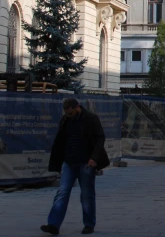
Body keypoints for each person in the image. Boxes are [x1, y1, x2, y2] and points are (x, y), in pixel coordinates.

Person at [40, 98, 109, 236]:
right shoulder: (65, 120)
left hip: (86, 163)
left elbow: (100, 138)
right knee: (62, 193)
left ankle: (89, 224)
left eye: (71, 112)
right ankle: (53, 224)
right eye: (67, 113)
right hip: (69, 162)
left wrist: (94, 158)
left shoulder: (90, 118)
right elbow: (61, 140)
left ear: (77, 107)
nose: (69, 115)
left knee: (87, 195)